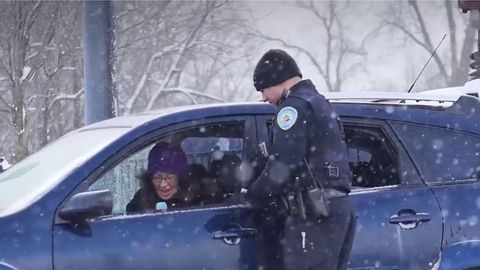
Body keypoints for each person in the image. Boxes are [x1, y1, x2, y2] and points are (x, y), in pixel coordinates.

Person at [247, 49, 356, 270]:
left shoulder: (293, 108)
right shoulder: (319, 102)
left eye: (263, 89)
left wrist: (255, 193)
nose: (263, 98)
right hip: (335, 208)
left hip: (313, 212)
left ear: (276, 80)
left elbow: (284, 164)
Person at [126, 143, 194, 213]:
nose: (163, 184)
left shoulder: (196, 201)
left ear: (180, 178)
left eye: (170, 177)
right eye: (157, 177)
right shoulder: (142, 198)